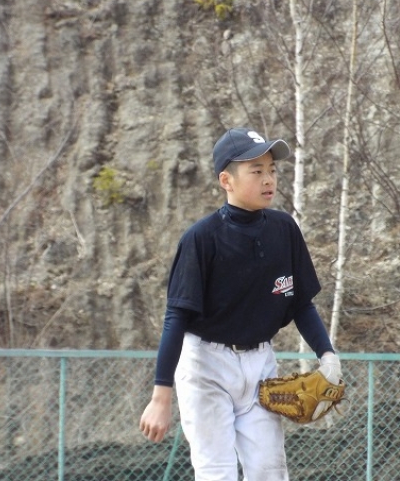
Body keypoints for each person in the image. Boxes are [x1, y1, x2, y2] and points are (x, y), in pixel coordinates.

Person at [139, 127, 342, 481]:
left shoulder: (284, 230)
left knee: (269, 472)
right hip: (206, 366)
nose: (268, 179)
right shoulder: (201, 239)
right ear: (226, 180)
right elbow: (176, 318)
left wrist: (328, 356)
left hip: (261, 364)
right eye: (256, 170)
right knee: (217, 473)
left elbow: (301, 304)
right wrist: (161, 396)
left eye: (272, 170)